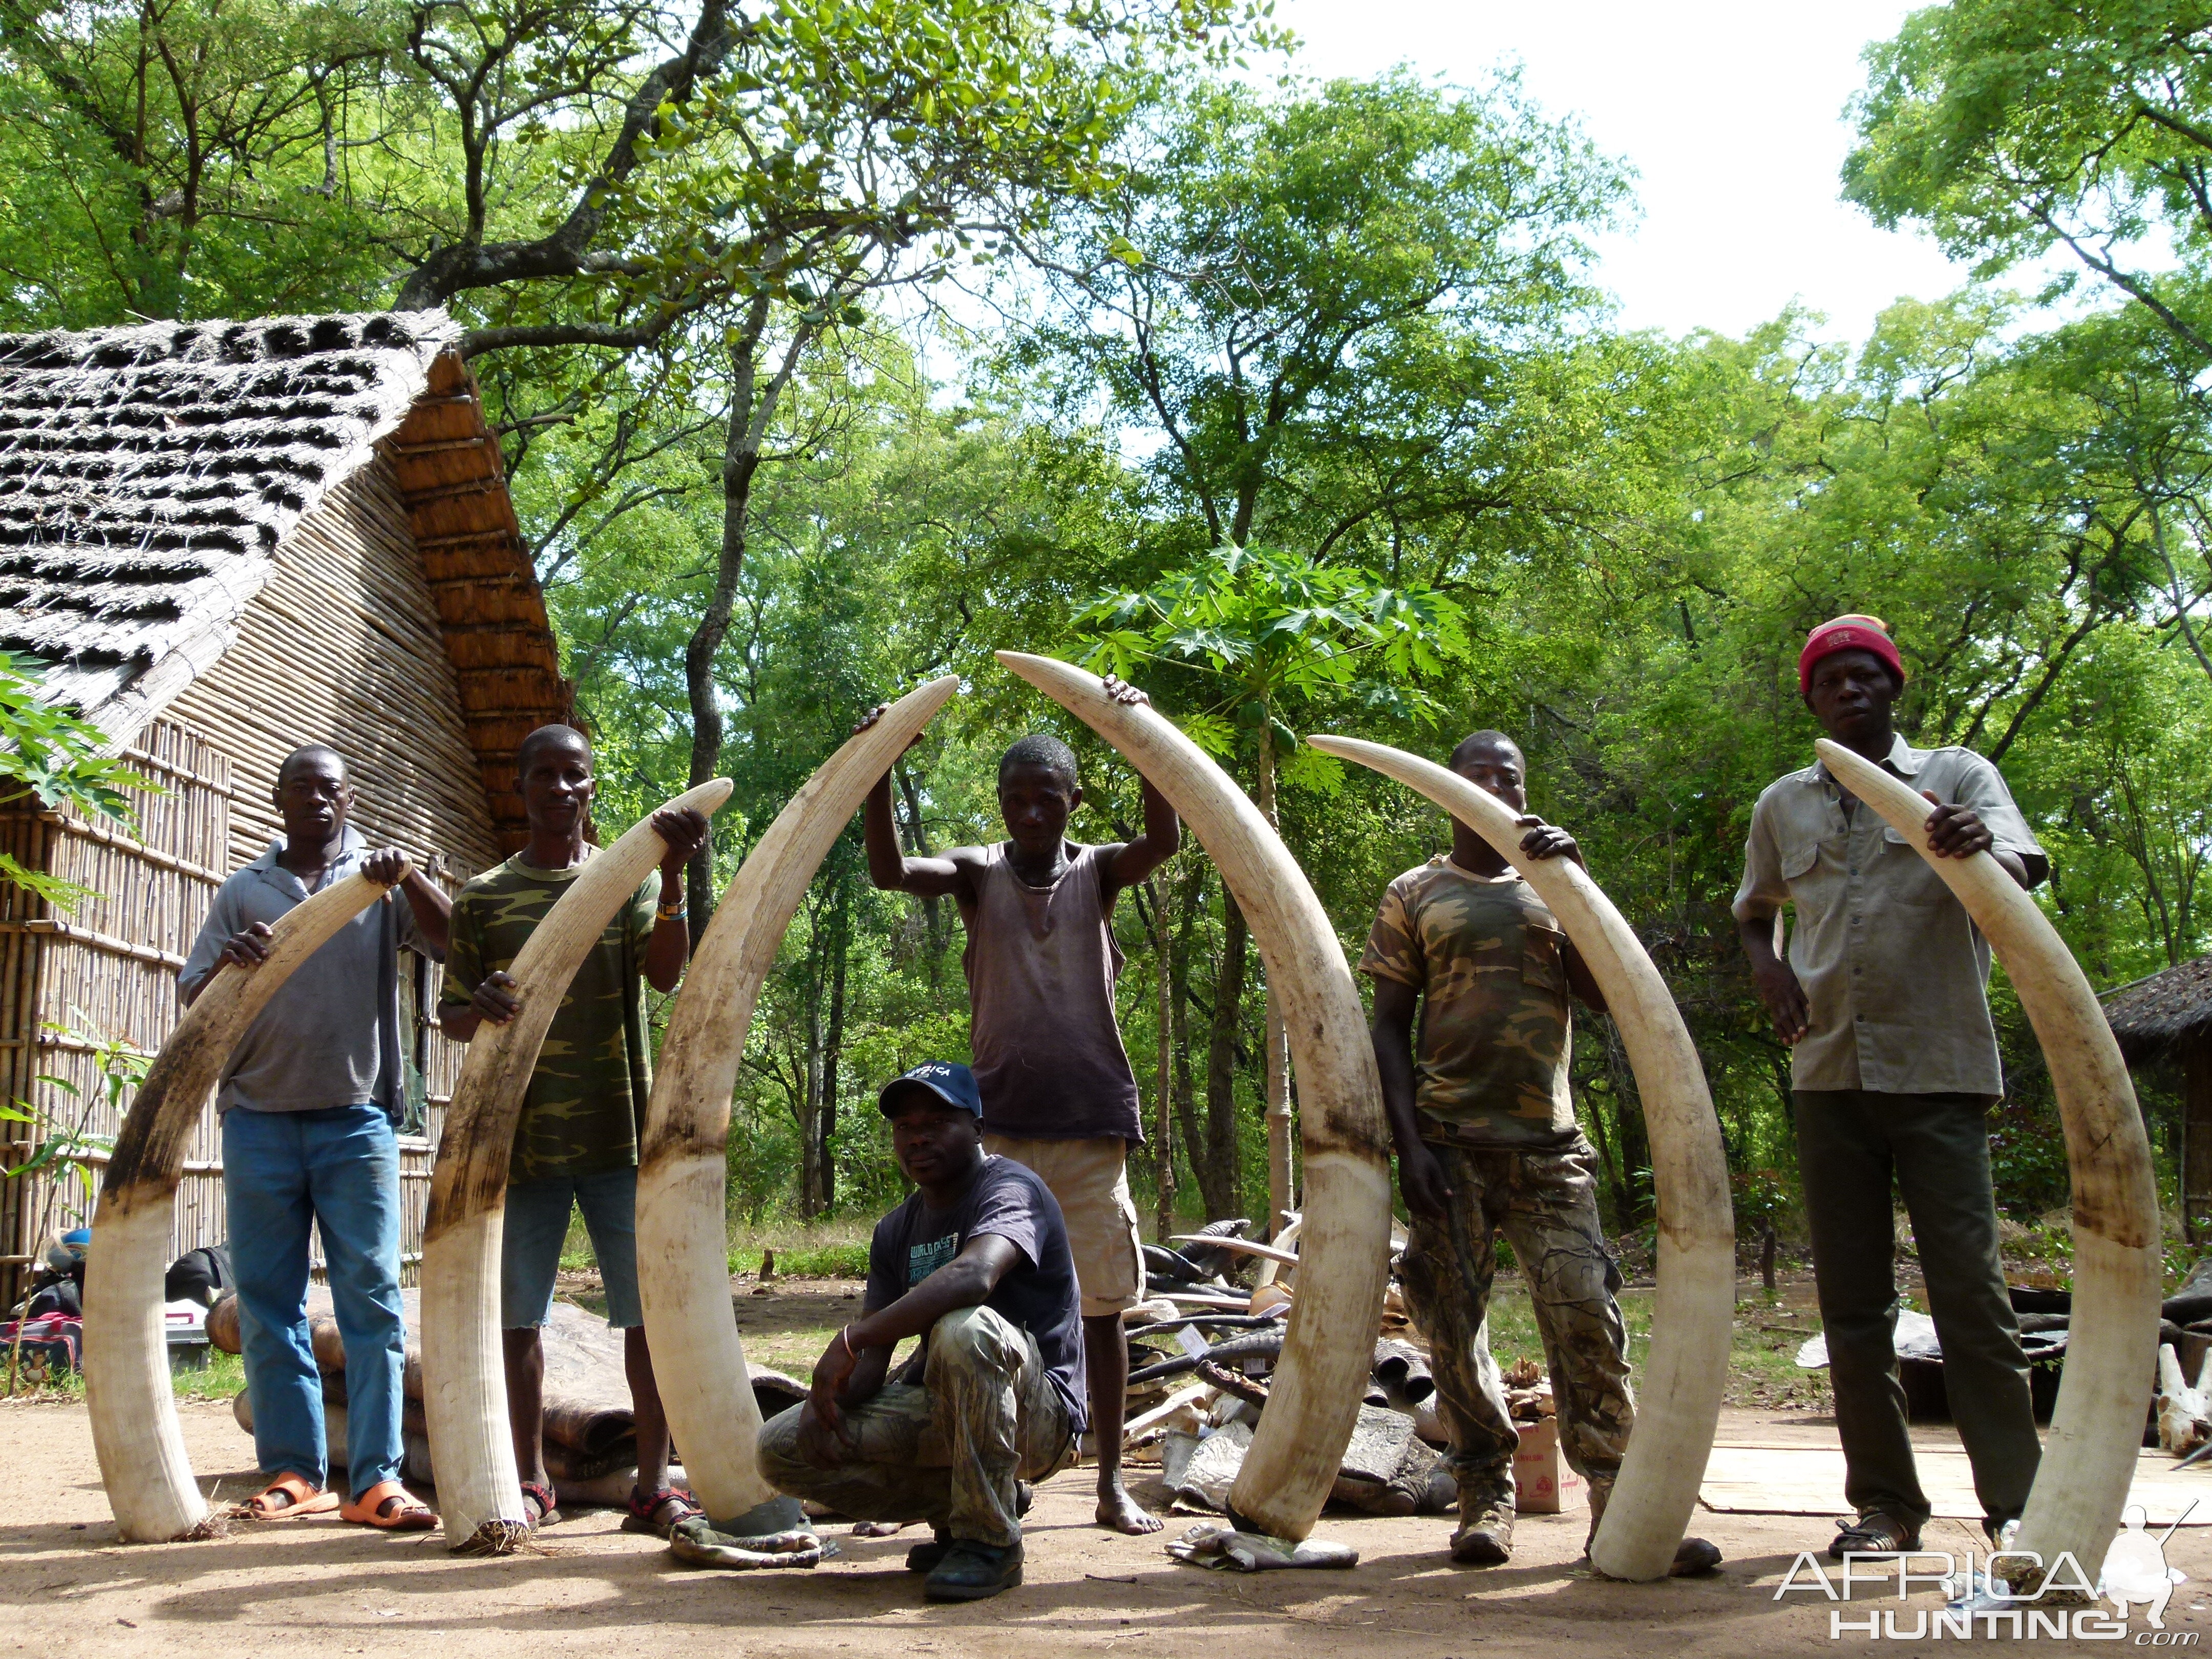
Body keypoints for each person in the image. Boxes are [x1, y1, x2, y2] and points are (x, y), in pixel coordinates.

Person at [1365, 729, 1720, 1574]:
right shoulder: (1414, 891)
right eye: (1477, 776)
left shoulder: (1555, 889)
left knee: (1586, 1319)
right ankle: (1485, 1492)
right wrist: (1408, 1146)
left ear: (1525, 794)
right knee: (1451, 1329)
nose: (1493, 787)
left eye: (1509, 777)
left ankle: (1622, 1506)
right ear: (1448, 792)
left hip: (1551, 1151)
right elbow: (1386, 1026)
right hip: (1449, 1146)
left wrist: (1580, 890)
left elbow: (1608, 999)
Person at [1734, 614, 2046, 1559]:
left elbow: (2027, 868)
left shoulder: (1954, 779)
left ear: (1894, 687)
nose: (1852, 689)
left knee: (1970, 1292)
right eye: (1832, 681)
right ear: (1811, 701)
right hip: (1828, 1074)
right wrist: (1769, 967)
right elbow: (1753, 911)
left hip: (1940, 1069)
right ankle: (1884, 1507)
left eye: (1868, 675)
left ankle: (2017, 1510)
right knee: (1853, 1307)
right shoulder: (1783, 804)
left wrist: (1978, 843)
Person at [856, 682, 1178, 1535]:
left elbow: (1165, 838)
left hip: (1091, 1127)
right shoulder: (976, 873)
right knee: (967, 1312)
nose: (1032, 812)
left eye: (1049, 797)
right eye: (1016, 798)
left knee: (1103, 1310)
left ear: (1075, 802)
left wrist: (1137, 733)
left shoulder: (1098, 871)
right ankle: (960, 1471)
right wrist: (879, 766)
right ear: (1001, 805)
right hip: (995, 1139)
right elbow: (889, 872)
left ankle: (1109, 1483)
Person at [437, 725, 708, 1537]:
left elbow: (665, 975)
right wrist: (475, 1006)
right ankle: (530, 1481)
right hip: (519, 1149)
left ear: (593, 789)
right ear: (521, 787)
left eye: (576, 777)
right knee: (520, 1318)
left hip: (621, 1137)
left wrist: (672, 882)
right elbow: (451, 1014)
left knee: (647, 1314)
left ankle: (655, 1485)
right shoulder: (483, 896)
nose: (562, 789)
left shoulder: (622, 883)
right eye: (546, 776)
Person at [180, 743, 450, 1529]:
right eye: (301, 787)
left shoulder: (376, 885)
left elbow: (454, 942)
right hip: (258, 1119)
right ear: (278, 800)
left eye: (330, 788)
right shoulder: (244, 891)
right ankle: (296, 1472)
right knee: (268, 1302)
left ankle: (375, 1480)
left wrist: (409, 876)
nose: (316, 800)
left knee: (372, 1298)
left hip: (355, 1118)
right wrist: (228, 964)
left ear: (349, 799)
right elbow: (194, 998)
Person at [757, 1061, 1084, 1602]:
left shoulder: (1011, 1189)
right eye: (905, 1127)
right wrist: (828, 1400)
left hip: (1039, 1418)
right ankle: (957, 1513)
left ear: (977, 1129)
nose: (918, 1136)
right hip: (949, 1409)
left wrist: (850, 1339)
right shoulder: (895, 1230)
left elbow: (976, 1275)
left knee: (965, 1330)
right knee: (781, 1446)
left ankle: (990, 1542)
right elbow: (870, 1369)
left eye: (937, 1121)